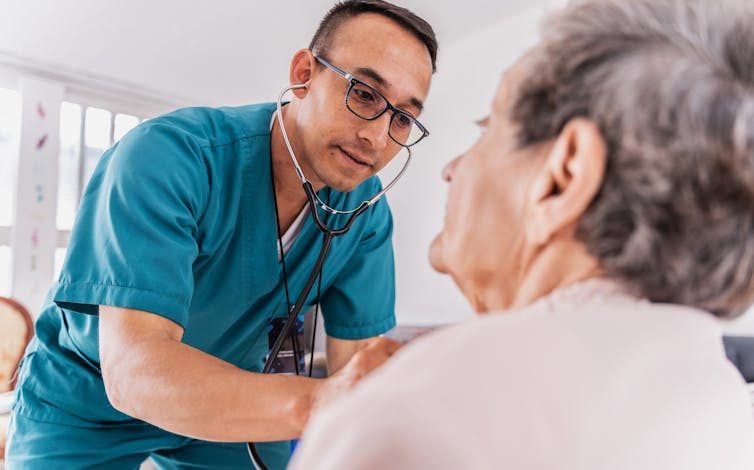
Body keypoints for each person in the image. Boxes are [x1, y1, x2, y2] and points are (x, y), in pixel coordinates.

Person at [289, 0, 754, 468]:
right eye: (365, 94)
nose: (451, 169)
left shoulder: (417, 415)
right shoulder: (726, 409)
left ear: (564, 177)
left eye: (486, 129)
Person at [5, 1, 436, 468]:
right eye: (365, 94)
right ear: (304, 73)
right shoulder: (168, 157)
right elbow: (134, 373)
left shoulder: (366, 216)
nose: (376, 137)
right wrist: (314, 403)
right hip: (88, 397)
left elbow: (355, 375)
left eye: (402, 119)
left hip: (232, 392)